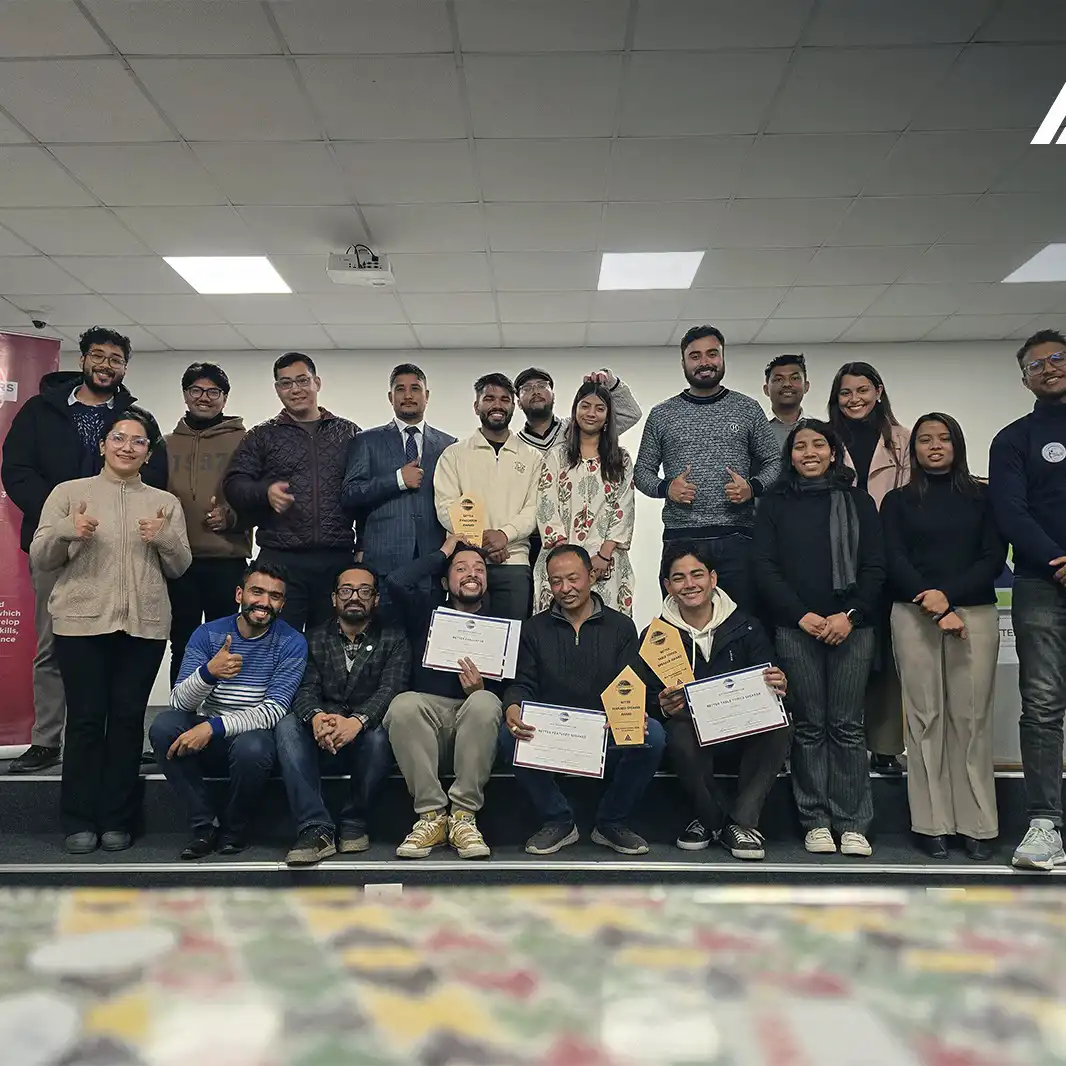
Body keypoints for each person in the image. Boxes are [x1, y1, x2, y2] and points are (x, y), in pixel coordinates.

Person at [1, 326, 168, 774]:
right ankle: (46, 740)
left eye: (116, 359)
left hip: (120, 550)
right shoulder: (40, 410)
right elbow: (16, 470)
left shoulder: (135, 418)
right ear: (83, 360)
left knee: (117, 648)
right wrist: (61, 520)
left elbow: (156, 476)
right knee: (51, 644)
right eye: (99, 356)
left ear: (125, 367)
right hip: (57, 546)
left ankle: (114, 739)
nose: (106, 365)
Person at [30, 410, 190, 854]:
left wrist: (164, 538)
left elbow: (180, 566)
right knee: (84, 721)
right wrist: (68, 530)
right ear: (102, 446)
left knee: (126, 721)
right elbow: (41, 556)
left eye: (138, 441)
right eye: (119, 438)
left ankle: (117, 819)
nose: (127, 447)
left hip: (144, 627)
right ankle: (78, 819)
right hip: (81, 625)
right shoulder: (69, 493)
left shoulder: (164, 502)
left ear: (148, 453)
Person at [753, 420, 885, 858]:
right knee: (809, 725)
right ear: (789, 456)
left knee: (847, 726)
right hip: (796, 629)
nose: (809, 452)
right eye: (800, 446)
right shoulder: (774, 504)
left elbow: (875, 567)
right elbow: (765, 568)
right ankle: (816, 821)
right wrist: (802, 616)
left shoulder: (858, 501)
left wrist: (850, 616)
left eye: (818, 445)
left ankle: (853, 823)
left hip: (852, 629)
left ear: (833, 452)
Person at [882, 414, 1004, 862]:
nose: (934, 446)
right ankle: (931, 823)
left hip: (973, 614)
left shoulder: (984, 496)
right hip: (913, 613)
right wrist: (933, 603)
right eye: (924, 440)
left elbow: (993, 557)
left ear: (958, 444)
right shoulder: (897, 501)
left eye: (943, 438)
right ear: (912, 448)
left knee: (971, 719)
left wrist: (949, 599)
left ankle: (978, 824)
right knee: (925, 718)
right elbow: (892, 557)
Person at [498, 545, 666, 856]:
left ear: (591, 576)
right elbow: (522, 683)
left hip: (604, 731)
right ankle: (558, 820)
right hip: (554, 733)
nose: (565, 588)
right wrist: (512, 707)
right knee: (509, 736)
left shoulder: (621, 627)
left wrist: (631, 714)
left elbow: (630, 685)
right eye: (556, 581)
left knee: (652, 734)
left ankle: (611, 821)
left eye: (573, 578)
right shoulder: (533, 629)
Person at [637, 542, 791, 860]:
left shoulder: (747, 626)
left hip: (742, 729)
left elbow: (770, 680)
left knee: (781, 725)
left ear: (713, 578)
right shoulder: (655, 636)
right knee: (675, 732)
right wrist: (660, 706)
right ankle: (714, 819)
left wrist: (779, 683)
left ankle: (740, 821)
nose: (689, 584)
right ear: (667, 586)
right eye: (678, 578)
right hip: (692, 735)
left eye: (697, 574)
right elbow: (642, 696)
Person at [149, 561, 306, 859]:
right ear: (239, 595)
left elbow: (273, 711)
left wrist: (213, 727)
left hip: (252, 739)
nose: (264, 602)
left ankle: (235, 829)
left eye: (274, 596)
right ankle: (204, 826)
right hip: (209, 734)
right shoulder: (208, 634)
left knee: (254, 746)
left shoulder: (292, 642)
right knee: (163, 727)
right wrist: (209, 673)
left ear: (282, 604)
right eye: (257, 592)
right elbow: (180, 702)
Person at [634, 324, 781, 612]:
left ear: (722, 357)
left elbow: (774, 461)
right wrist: (666, 488)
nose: (704, 362)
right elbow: (642, 472)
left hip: (737, 538)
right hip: (681, 538)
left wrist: (753, 487)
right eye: (695, 356)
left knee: (742, 622)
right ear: (683, 363)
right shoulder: (662, 414)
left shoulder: (747, 408)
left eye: (712, 354)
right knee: (681, 625)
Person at [989, 328, 1066, 871]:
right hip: (1041, 582)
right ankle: (1045, 824)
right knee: (1041, 704)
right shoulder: (1013, 439)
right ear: (1024, 380)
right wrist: (1058, 560)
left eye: (1057, 358)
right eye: (1036, 365)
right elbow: (1011, 513)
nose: (1049, 368)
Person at [276, 565, 409, 867]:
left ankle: (354, 821)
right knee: (287, 725)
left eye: (365, 591)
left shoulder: (394, 637)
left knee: (381, 736)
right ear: (334, 598)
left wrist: (357, 721)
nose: (355, 597)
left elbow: (392, 688)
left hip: (366, 736)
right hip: (324, 734)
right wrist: (317, 718)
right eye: (346, 590)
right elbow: (305, 688)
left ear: (376, 599)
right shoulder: (312, 638)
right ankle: (315, 827)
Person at [383, 536, 503, 860]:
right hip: (426, 729)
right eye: (460, 568)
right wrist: (445, 550)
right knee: (403, 704)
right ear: (444, 581)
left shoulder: (502, 623)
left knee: (485, 701)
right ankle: (432, 817)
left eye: (479, 569)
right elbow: (396, 581)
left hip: (474, 729)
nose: (472, 574)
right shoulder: (427, 612)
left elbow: (511, 690)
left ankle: (463, 817)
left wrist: (480, 689)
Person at [223, 352, 359, 631]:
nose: (295, 389)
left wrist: (364, 546)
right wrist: (264, 492)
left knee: (330, 645)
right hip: (281, 559)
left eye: (302, 380)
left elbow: (364, 493)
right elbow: (234, 484)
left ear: (317, 382)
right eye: (286, 383)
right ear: (277, 389)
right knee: (277, 641)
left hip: (336, 559)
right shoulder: (262, 435)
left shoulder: (348, 433)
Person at [828, 360, 911, 776]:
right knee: (841, 650)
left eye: (862, 390)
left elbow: (912, 498)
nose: (854, 399)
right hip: (835, 556)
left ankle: (884, 745)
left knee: (884, 654)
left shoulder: (903, 439)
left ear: (878, 391)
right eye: (845, 392)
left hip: (888, 552)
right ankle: (839, 742)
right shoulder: (826, 438)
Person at [165, 362, 250, 687]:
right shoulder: (165, 443)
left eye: (213, 392)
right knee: (183, 644)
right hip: (178, 562)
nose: (204, 397)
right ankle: (180, 712)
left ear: (224, 398)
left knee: (226, 645)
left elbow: (257, 496)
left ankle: (222, 714)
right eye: (196, 390)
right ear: (185, 395)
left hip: (226, 560)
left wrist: (232, 516)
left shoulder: (245, 440)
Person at [341, 363, 456, 604]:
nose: (408, 395)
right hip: (383, 562)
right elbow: (350, 494)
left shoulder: (449, 445)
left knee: (428, 629)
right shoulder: (367, 441)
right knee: (385, 627)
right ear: (390, 397)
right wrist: (397, 480)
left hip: (432, 565)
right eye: (400, 389)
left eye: (415, 388)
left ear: (427, 395)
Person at [434, 373, 542, 621]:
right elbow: (445, 506)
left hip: (514, 562)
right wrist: (480, 543)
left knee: (512, 639)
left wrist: (504, 535)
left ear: (514, 406)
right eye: (489, 398)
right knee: (463, 638)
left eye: (504, 399)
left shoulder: (532, 457)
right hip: (465, 563)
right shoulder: (453, 455)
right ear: (476, 406)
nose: (497, 405)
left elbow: (535, 509)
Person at [535, 382, 635, 615]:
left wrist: (603, 556)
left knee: (606, 627)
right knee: (557, 628)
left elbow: (624, 506)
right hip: (560, 559)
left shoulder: (621, 459)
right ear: (575, 410)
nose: (591, 413)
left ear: (608, 416)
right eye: (585, 406)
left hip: (606, 562)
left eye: (600, 408)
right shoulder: (557, 456)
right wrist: (568, 563)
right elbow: (546, 506)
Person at [515, 366, 642, 454]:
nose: (536, 391)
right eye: (527, 388)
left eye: (542, 385)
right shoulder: (513, 445)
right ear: (518, 403)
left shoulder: (580, 428)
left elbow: (631, 414)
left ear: (554, 396)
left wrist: (611, 382)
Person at [763, 353, 809, 452]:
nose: (787, 384)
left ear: (806, 386)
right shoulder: (755, 429)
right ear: (766, 389)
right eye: (778, 379)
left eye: (795, 378)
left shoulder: (821, 429)